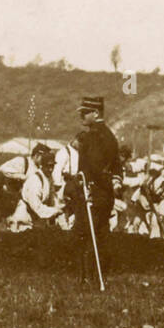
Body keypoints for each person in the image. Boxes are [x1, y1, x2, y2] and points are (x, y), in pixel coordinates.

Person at [63, 96, 120, 285]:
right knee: (100, 235)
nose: (81, 115)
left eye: (85, 112)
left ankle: (85, 279)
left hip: (92, 194)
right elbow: (116, 167)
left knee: (83, 235)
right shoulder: (109, 135)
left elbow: (94, 167)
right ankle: (97, 277)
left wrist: (84, 182)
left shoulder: (93, 136)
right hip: (104, 194)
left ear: (96, 113)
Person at [8, 144, 62, 232]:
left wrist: (58, 207)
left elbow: (52, 198)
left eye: (52, 166)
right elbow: (37, 207)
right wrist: (54, 211)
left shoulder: (49, 179)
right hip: (25, 219)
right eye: (48, 166)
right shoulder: (35, 180)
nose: (50, 169)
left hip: (36, 220)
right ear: (42, 165)